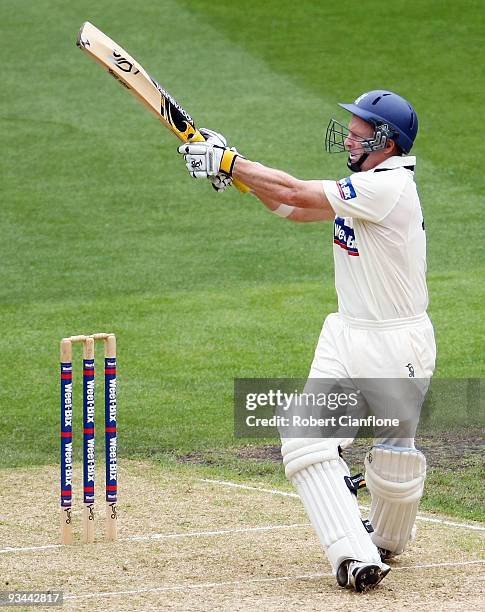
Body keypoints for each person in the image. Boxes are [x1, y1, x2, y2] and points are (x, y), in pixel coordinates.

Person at [178, 90, 436, 592]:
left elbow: (295, 192)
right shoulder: (363, 185)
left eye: (361, 131)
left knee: (393, 445)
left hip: (396, 342)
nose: (349, 136)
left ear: (387, 141)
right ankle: (355, 555)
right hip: (347, 330)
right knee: (303, 432)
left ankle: (384, 541)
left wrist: (230, 160)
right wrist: (232, 175)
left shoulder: (389, 188)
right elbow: (293, 209)